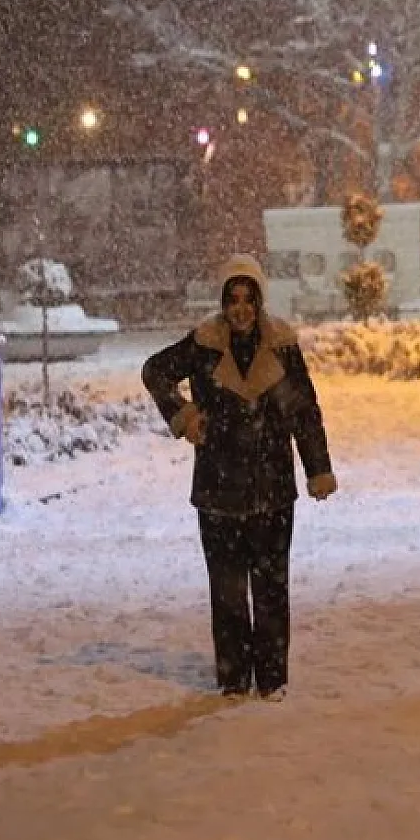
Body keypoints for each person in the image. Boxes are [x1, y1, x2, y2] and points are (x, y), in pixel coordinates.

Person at [141, 253, 337, 700]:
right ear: (224, 302)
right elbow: (155, 372)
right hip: (218, 491)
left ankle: (271, 681)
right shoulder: (204, 344)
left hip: (272, 489)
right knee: (227, 592)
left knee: (271, 589)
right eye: (234, 299)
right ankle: (233, 680)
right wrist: (183, 414)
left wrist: (318, 468)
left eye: (249, 299)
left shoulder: (282, 347)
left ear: (261, 300)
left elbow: (304, 412)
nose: (241, 309)